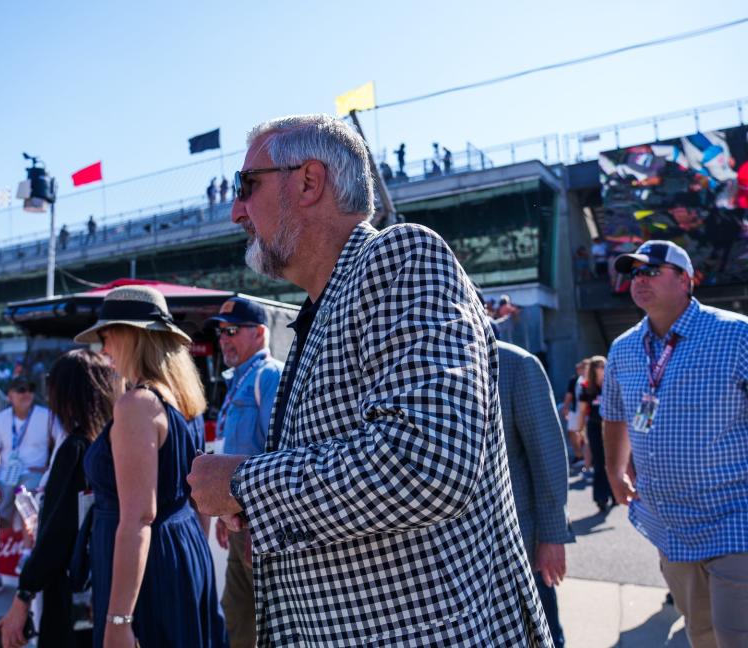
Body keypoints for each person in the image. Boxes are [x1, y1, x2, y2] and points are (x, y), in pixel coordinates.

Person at [188, 114, 551, 646]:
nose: (236, 210)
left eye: (248, 186)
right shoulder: (324, 305)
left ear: (309, 182)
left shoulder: (400, 256)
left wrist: (245, 484)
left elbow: (427, 462)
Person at [603, 240, 748, 648]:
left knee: (735, 635)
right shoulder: (624, 348)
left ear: (685, 280)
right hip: (670, 525)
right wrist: (615, 469)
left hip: (735, 514)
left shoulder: (736, 335)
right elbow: (613, 414)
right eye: (634, 273)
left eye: (651, 271)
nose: (639, 281)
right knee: (700, 634)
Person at [73, 285, 227, 648]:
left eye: (107, 336)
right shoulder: (185, 401)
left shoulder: (137, 405)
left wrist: (118, 619)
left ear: (131, 336)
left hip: (146, 569)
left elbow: (139, 518)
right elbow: (198, 498)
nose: (104, 349)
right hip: (180, 551)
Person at [0, 350, 118, 648]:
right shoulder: (111, 441)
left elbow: (59, 534)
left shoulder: (76, 448)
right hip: (104, 583)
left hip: (69, 590)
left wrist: (24, 594)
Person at [205, 297, 283, 648]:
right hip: (239, 523)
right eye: (221, 331)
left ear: (260, 333)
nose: (224, 338)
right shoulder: (239, 379)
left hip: (259, 526)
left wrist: (261, 523)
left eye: (232, 330)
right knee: (237, 617)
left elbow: (279, 451)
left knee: (265, 622)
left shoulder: (268, 375)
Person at [497, 340, 574, 648]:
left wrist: (553, 536)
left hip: (521, 544)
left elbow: (548, 459)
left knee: (540, 637)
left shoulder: (516, 364)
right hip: (455, 557)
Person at [0, 376, 60, 527]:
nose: (27, 394)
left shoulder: (47, 416)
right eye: (21, 390)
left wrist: (49, 469)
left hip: (35, 473)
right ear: (10, 395)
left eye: (31, 390)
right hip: (6, 475)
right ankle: (1, 546)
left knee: (26, 505)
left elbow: (61, 444)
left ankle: (26, 548)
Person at [579, 355, 611, 512]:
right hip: (595, 426)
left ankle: (614, 494)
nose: (602, 368)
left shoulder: (611, 384)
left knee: (612, 461)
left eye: (604, 365)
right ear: (593, 369)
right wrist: (580, 430)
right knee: (599, 462)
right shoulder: (587, 387)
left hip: (611, 427)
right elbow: (582, 410)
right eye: (599, 366)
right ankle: (601, 497)